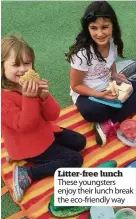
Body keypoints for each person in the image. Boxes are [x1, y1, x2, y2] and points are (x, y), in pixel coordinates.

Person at [1, 35, 86, 202]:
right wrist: (30, 98)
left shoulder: (29, 83)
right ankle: (27, 173)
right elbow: (27, 126)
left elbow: (53, 115)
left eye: (26, 63)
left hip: (45, 133)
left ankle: (17, 156)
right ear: (2, 67)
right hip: (28, 145)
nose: (23, 69)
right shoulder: (3, 100)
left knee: (80, 142)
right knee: (75, 159)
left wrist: (45, 97)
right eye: (16, 64)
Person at [66, 1, 136, 146]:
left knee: (129, 88)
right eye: (94, 28)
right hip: (88, 96)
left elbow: (111, 63)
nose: (99, 33)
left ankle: (107, 123)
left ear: (113, 26)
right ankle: (109, 121)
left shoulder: (113, 43)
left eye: (104, 27)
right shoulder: (82, 54)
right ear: (88, 28)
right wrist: (99, 94)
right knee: (92, 112)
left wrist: (115, 75)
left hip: (108, 87)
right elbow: (76, 85)